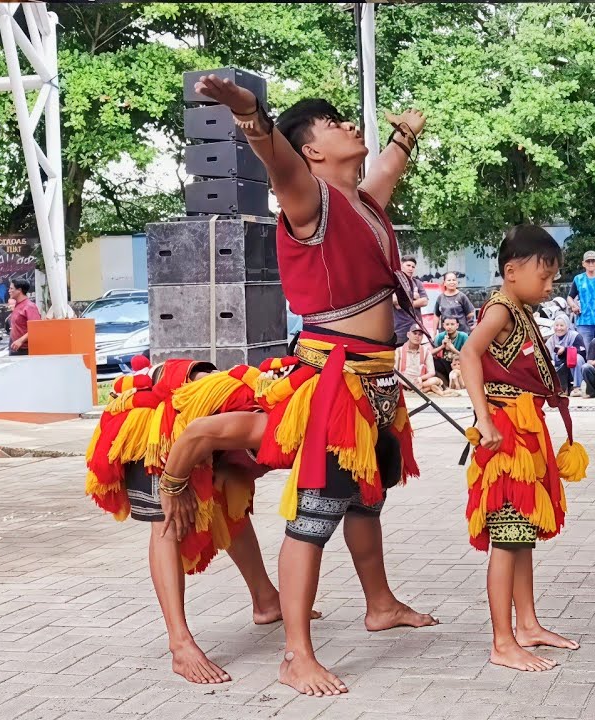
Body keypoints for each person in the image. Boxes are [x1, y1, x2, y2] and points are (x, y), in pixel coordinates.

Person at [192, 74, 433, 695]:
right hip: (335, 380)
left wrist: (407, 131)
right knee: (316, 512)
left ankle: (379, 604)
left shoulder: (363, 203)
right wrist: (251, 115)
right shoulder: (308, 200)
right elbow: (277, 162)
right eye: (333, 122)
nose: (350, 125)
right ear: (312, 154)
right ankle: (296, 653)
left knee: (365, 499)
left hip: (376, 379)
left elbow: (387, 170)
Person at [83, 359, 291, 684]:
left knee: (230, 501)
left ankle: (266, 600)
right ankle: (180, 645)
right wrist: (172, 484)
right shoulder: (268, 418)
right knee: (169, 521)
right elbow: (195, 430)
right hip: (155, 433)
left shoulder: (295, 417)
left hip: (203, 439)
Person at [460, 224, 587, 672]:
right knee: (507, 539)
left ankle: (528, 624)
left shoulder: (519, 307)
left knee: (522, 537)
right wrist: (483, 416)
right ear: (512, 271)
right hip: (506, 436)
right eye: (545, 276)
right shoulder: (500, 310)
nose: (550, 285)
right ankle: (501, 641)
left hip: (525, 431)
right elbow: (468, 355)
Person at [544, 314, 587, 394]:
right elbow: (546, 354)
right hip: (559, 366)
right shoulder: (552, 339)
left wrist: (566, 350)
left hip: (573, 367)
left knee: (577, 358)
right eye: (556, 325)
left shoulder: (575, 336)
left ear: (567, 326)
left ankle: (577, 387)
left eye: (562, 325)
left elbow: (582, 353)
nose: (559, 328)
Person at [398, 325, 445, 395]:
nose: (417, 336)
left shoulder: (426, 351)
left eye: (420, 334)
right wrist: (408, 384)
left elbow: (432, 372)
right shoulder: (399, 351)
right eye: (415, 333)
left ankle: (422, 388)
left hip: (420, 382)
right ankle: (425, 389)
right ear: (408, 335)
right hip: (403, 382)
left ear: (422, 337)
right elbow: (394, 373)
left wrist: (420, 378)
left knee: (435, 380)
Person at [392, 256, 427, 339]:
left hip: (417, 328)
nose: (411, 268)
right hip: (399, 328)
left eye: (413, 267)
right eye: (408, 265)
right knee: (400, 351)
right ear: (401, 265)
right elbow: (395, 301)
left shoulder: (417, 283)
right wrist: (414, 297)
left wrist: (404, 303)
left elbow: (425, 301)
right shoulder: (394, 282)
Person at [7, 278, 42, 355]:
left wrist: (20, 340)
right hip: (15, 347)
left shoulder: (29, 306)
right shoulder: (17, 305)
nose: (9, 291)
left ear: (19, 290)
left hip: (25, 350)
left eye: (11, 288)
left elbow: (36, 329)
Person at [433, 316, 469, 384]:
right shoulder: (440, 336)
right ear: (443, 325)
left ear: (457, 325)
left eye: (452, 324)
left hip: (460, 363)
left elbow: (468, 356)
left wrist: (452, 349)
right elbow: (430, 354)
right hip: (446, 363)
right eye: (447, 324)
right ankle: (444, 383)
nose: (449, 327)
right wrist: (442, 346)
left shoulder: (463, 336)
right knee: (435, 362)